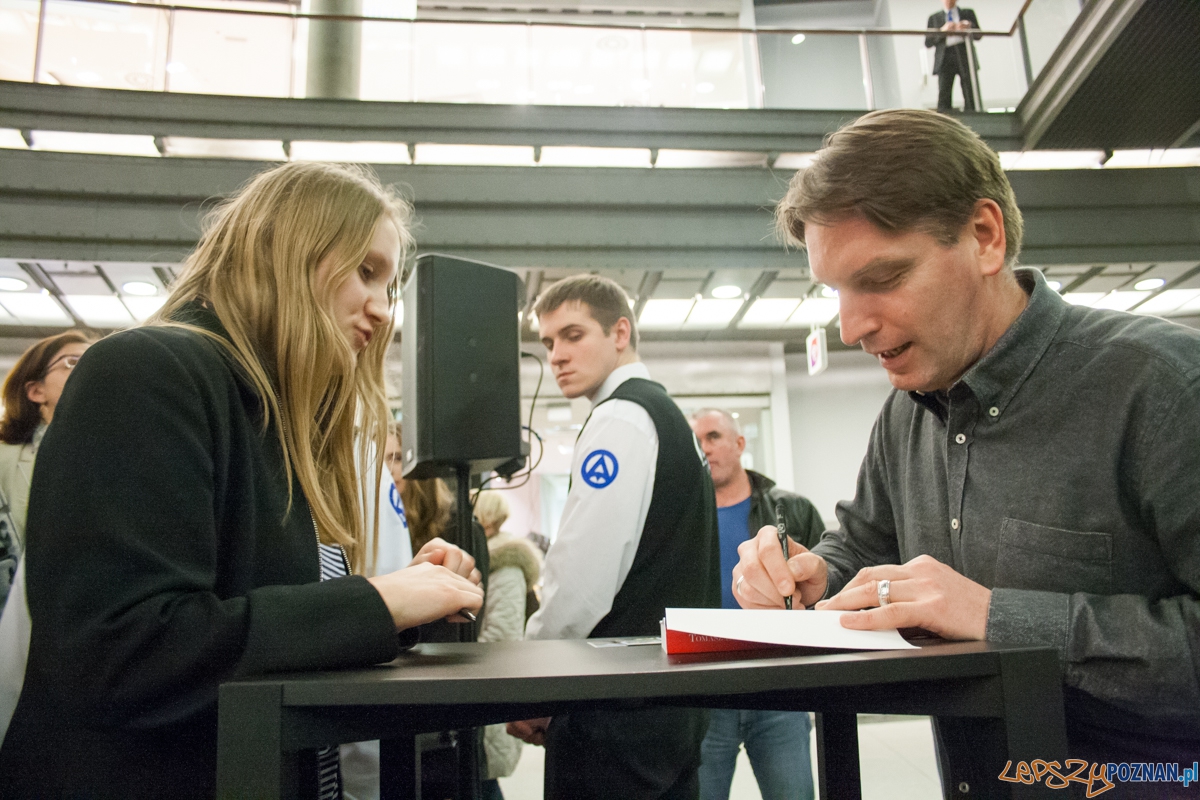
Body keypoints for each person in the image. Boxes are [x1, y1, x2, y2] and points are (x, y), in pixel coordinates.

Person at [733, 108, 1200, 797]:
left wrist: (997, 618)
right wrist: (811, 576)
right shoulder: (906, 413)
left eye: (882, 279)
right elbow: (860, 549)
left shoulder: (1160, 387)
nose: (852, 326)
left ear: (984, 236)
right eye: (836, 291)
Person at [0, 161, 484, 800]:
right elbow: (123, 651)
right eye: (365, 271)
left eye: (386, 284)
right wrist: (377, 602)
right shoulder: (146, 371)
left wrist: (413, 601)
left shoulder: (280, 420)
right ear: (287, 252)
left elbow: (252, 629)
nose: (381, 309)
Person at [507, 274, 721, 800]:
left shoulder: (621, 419)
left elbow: (581, 579)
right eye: (548, 342)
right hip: (669, 706)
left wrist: (538, 678)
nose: (556, 355)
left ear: (620, 332)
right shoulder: (665, 416)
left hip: (614, 716)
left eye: (573, 335)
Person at [688, 408, 822, 800]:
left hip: (777, 687)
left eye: (713, 437)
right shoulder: (683, 519)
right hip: (705, 693)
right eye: (697, 441)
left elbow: (827, 586)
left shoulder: (790, 510)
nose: (704, 448)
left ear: (740, 444)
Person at [0, 329, 94, 607]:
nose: (91, 370)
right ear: (36, 391)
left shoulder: (120, 453)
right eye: (74, 362)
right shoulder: (5, 457)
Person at [474, 490, 541, 800]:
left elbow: (501, 637)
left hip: (487, 700)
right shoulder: (489, 559)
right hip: (484, 699)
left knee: (482, 784)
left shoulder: (505, 564)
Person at [926, 0, 981, 113]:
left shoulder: (968, 13)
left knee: (969, 87)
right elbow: (928, 42)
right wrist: (942, 31)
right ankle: (944, 117)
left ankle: (973, 113)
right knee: (944, 89)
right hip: (945, 56)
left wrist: (969, 26)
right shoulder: (934, 17)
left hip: (964, 53)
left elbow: (979, 35)